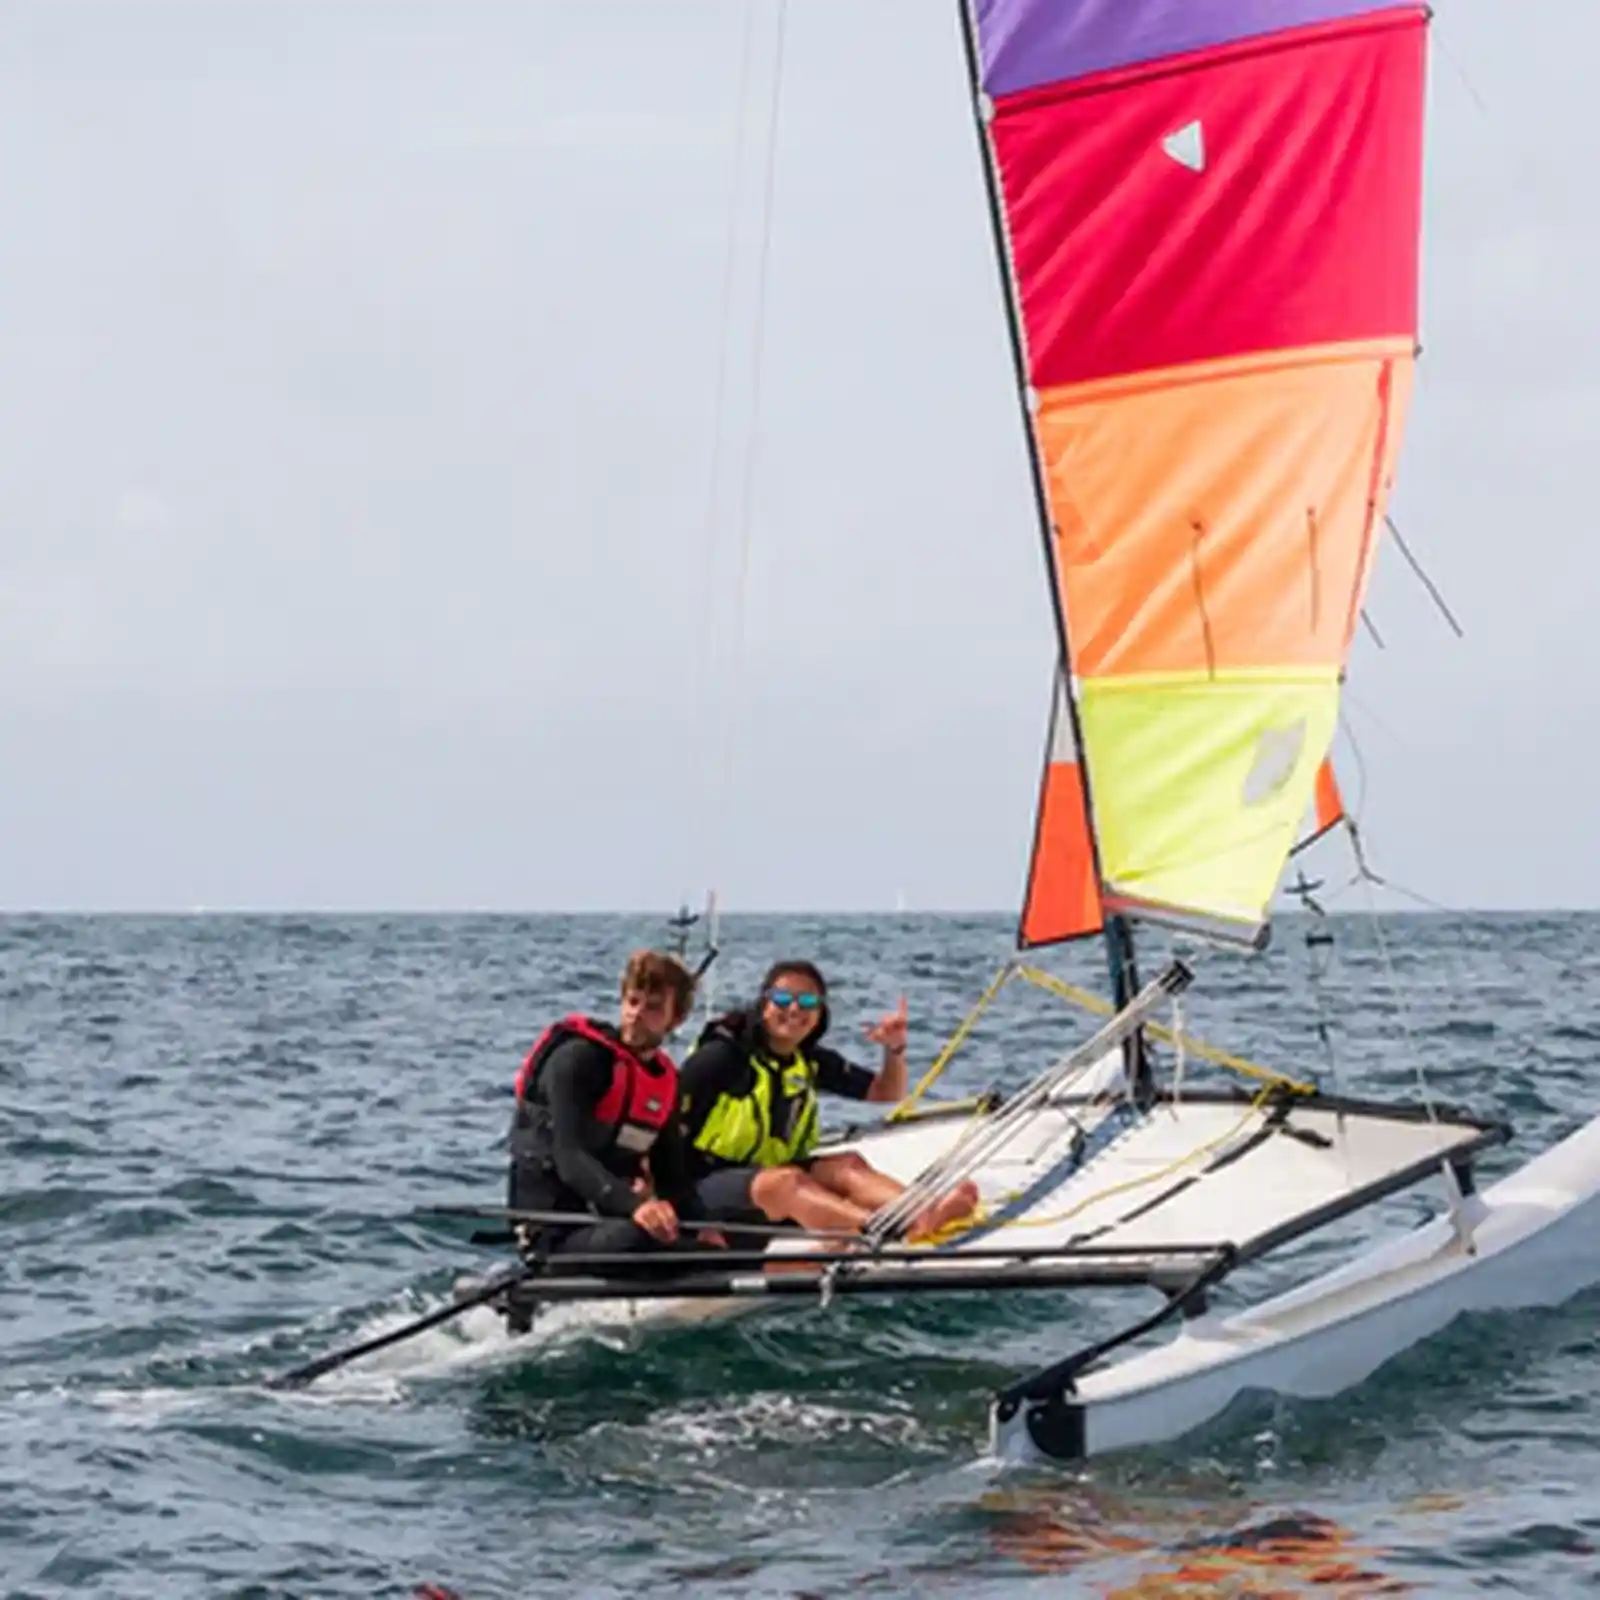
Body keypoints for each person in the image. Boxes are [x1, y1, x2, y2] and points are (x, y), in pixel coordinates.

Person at [677, 958, 980, 1243]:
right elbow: (665, 1130)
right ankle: (883, 1230)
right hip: (706, 1186)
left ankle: (923, 1211)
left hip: (769, 1175)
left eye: (808, 1002)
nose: (794, 1009)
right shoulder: (720, 1059)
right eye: (783, 999)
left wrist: (894, 1051)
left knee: (846, 1165)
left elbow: (886, 1093)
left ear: (820, 1014)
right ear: (764, 1005)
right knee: (787, 1182)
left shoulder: (808, 1060)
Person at [506, 948, 707, 1277]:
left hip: (609, 1222)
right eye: (632, 1001)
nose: (636, 1014)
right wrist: (638, 1207)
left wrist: (702, 1227)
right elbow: (569, 1157)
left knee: (714, 1238)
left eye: (653, 1007)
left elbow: (671, 1172)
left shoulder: (664, 1080)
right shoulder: (578, 1060)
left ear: (677, 1019)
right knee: (641, 1236)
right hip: (556, 1233)